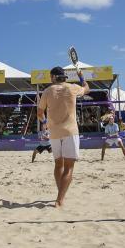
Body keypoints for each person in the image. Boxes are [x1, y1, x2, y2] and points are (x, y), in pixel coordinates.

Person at [37, 65, 89, 208]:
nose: (50, 78)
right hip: (70, 131)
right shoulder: (72, 88)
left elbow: (39, 113)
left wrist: (45, 123)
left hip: (54, 132)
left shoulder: (47, 91)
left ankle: (60, 194)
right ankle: (60, 200)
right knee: (69, 167)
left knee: (58, 164)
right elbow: (87, 88)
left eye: (50, 76)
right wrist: (81, 76)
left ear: (54, 77)